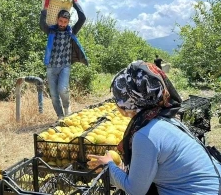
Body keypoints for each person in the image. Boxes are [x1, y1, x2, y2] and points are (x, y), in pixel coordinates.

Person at [87, 60, 221, 195]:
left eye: (118, 98)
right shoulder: (162, 118)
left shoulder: (145, 135)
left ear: (130, 101)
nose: (116, 103)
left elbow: (135, 190)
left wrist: (108, 166)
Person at [39, 0, 88, 119]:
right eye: (60, 21)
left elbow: (82, 18)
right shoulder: (51, 31)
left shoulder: (71, 31)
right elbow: (42, 23)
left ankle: (67, 108)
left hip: (65, 66)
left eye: (65, 22)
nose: (62, 24)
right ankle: (60, 117)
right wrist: (46, 5)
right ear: (57, 19)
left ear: (68, 22)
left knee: (62, 89)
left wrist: (75, 2)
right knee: (54, 95)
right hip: (51, 67)